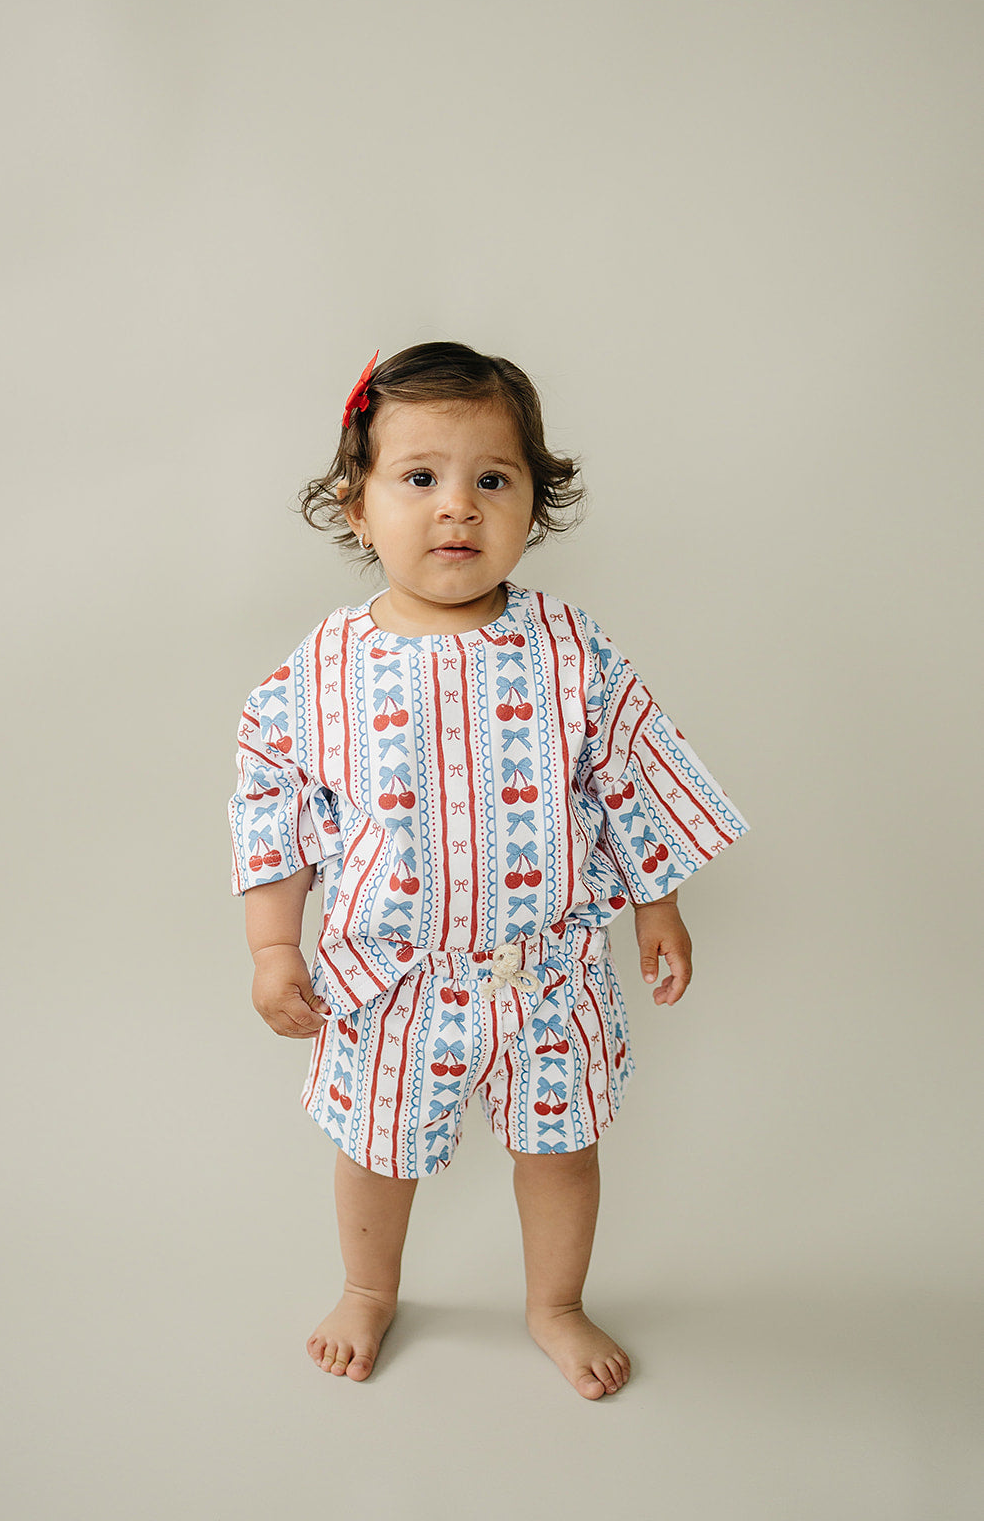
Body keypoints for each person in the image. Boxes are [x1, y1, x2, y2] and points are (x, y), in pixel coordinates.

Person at [227, 341, 749, 1398]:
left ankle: (555, 1302)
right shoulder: (320, 672)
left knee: (561, 1151)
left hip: (546, 974)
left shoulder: (569, 648)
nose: (456, 507)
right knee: (377, 1150)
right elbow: (272, 810)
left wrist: (658, 908)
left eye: (492, 480)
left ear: (532, 503)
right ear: (357, 505)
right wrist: (273, 947)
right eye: (419, 477)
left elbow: (628, 776)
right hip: (391, 980)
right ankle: (368, 1288)